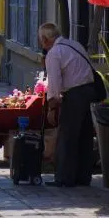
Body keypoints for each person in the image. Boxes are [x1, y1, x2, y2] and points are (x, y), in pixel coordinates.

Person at [39, 22, 100, 187]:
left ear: (45, 39)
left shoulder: (54, 53)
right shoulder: (74, 44)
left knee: (67, 135)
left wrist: (52, 108)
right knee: (85, 135)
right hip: (88, 90)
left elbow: (55, 84)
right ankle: (83, 176)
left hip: (74, 93)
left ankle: (64, 178)